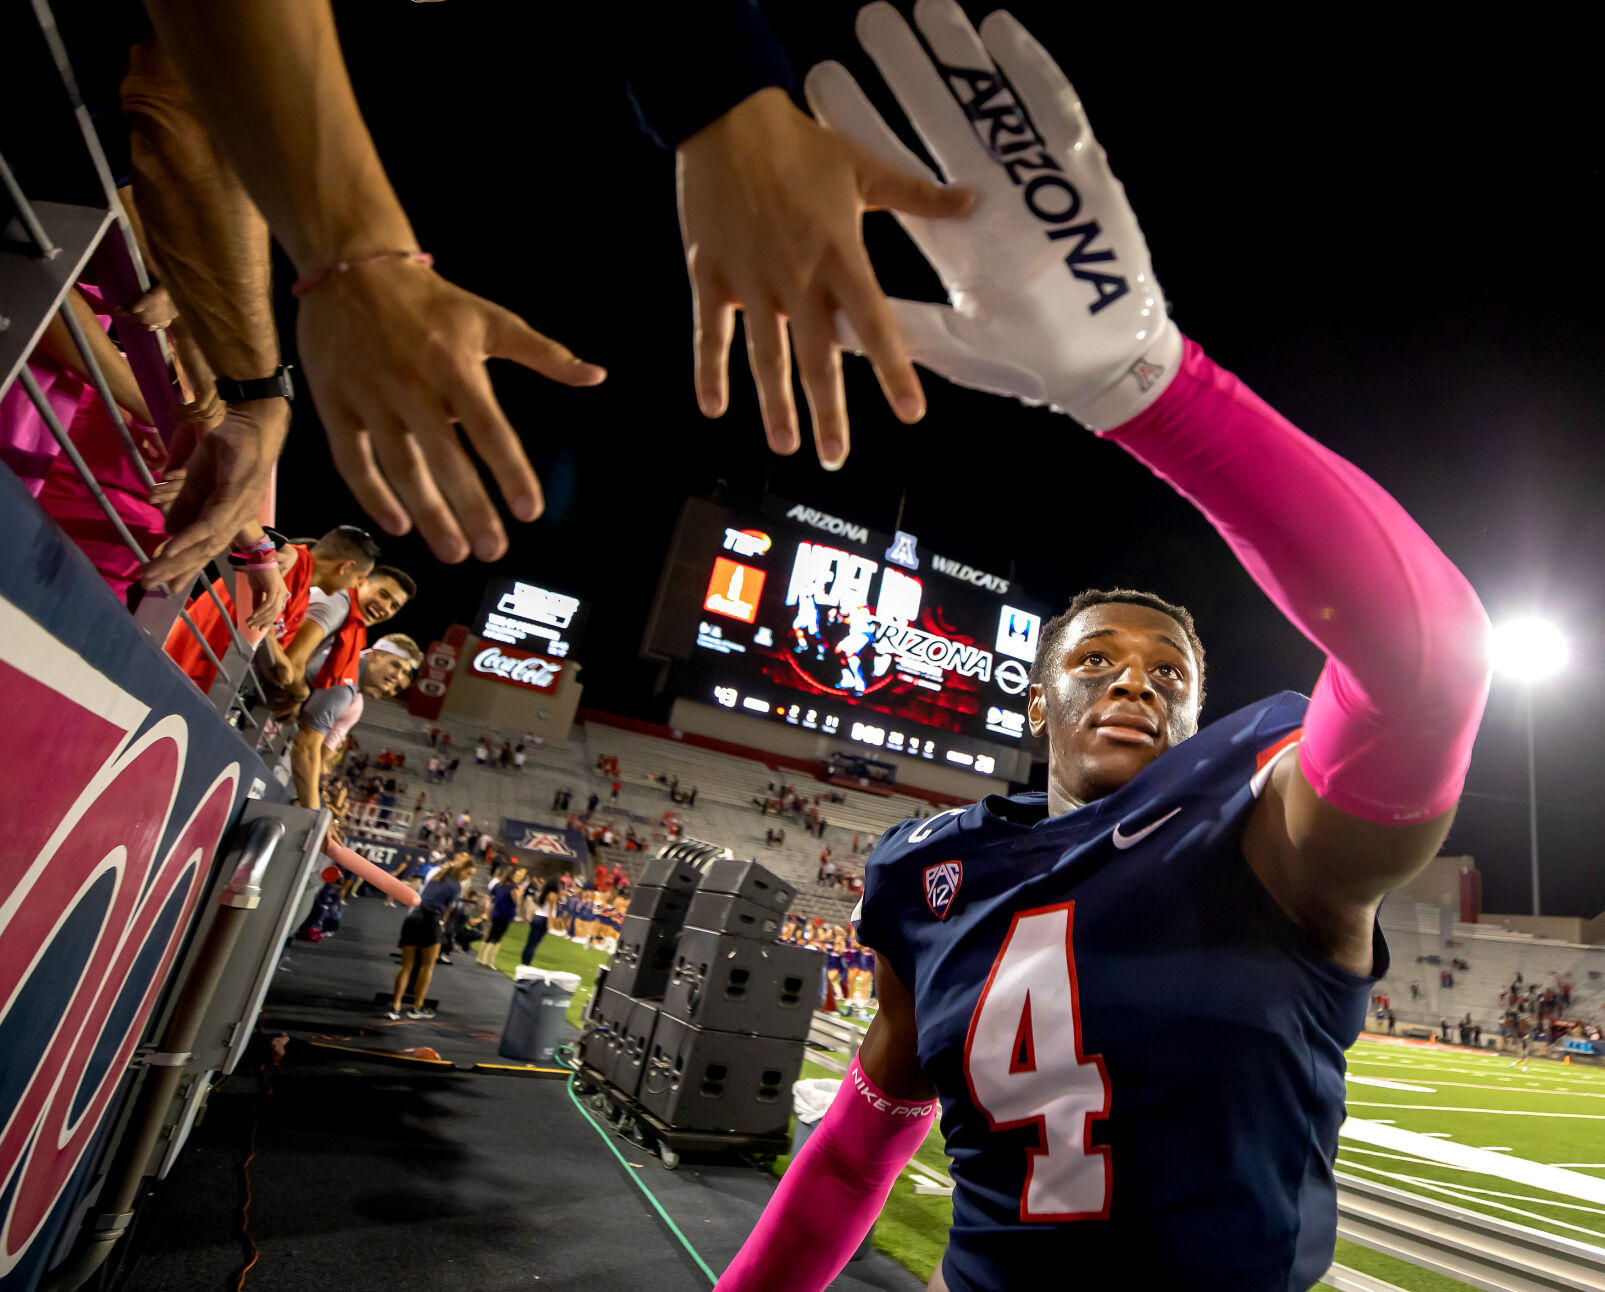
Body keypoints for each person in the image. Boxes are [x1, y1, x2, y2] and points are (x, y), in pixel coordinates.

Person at [714, 10, 1492, 1292]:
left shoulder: (1261, 829)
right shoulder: (931, 873)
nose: (1136, 678)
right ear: (1038, 692)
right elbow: (858, 1150)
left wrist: (1147, 383)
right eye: (1097, 660)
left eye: (1170, 670)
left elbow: (1437, 660)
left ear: (1197, 710)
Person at [390, 856, 473, 1019]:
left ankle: (395, 1007)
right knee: (427, 967)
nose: (468, 877)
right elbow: (447, 911)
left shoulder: (437, 877)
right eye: (468, 873)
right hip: (430, 921)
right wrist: (442, 924)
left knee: (406, 966)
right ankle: (416, 1008)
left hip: (413, 918)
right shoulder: (456, 886)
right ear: (461, 870)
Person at [477, 868, 525, 968]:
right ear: (511, 875)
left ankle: (480, 957)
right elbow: (517, 902)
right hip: (506, 914)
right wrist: (519, 893)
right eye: (516, 875)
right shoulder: (513, 887)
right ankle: (489, 961)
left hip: (496, 913)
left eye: (519, 876)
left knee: (491, 934)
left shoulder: (499, 885)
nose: (518, 877)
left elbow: (491, 897)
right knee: (497, 937)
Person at [520, 878, 562, 967]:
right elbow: (551, 911)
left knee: (530, 943)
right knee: (534, 944)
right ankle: (526, 964)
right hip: (543, 919)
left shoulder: (545, 893)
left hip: (537, 917)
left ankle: (523, 962)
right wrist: (550, 925)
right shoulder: (553, 895)